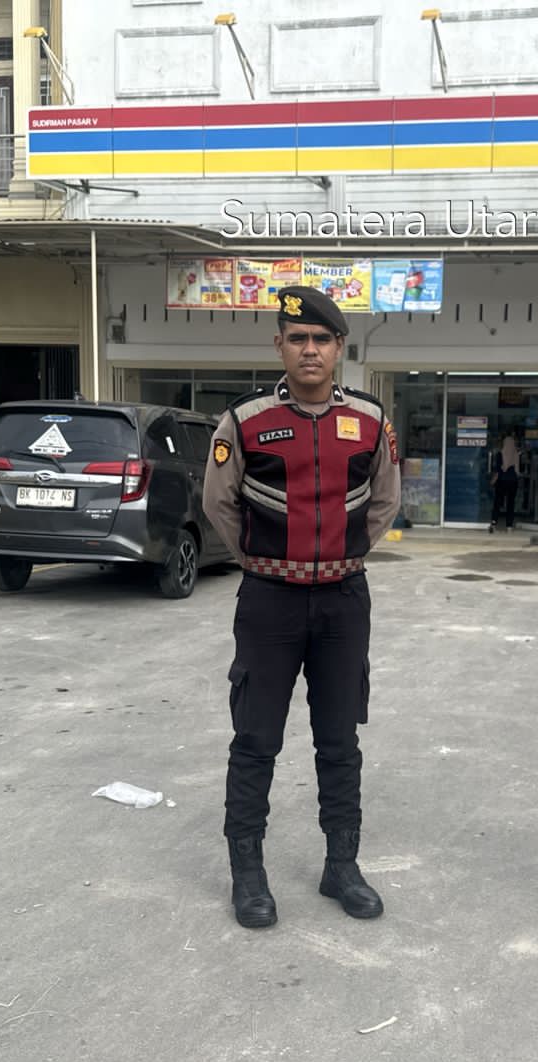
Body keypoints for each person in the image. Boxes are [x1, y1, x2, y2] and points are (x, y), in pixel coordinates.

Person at [203, 285, 401, 930]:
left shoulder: (369, 421)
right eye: (297, 339)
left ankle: (341, 866)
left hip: (344, 601)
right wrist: (268, 560)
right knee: (255, 740)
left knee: (339, 741)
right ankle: (248, 875)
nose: (309, 350)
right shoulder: (245, 420)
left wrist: (342, 553)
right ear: (280, 346)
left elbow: (384, 502)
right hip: (270, 601)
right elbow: (219, 504)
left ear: (339, 348)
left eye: (320, 339)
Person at [489, 431, 521, 532]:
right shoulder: (516, 454)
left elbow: (498, 470)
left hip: (501, 481)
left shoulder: (500, 454)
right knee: (510, 504)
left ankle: (494, 523)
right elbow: (517, 469)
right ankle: (509, 526)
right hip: (513, 482)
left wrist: (493, 480)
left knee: (497, 503)